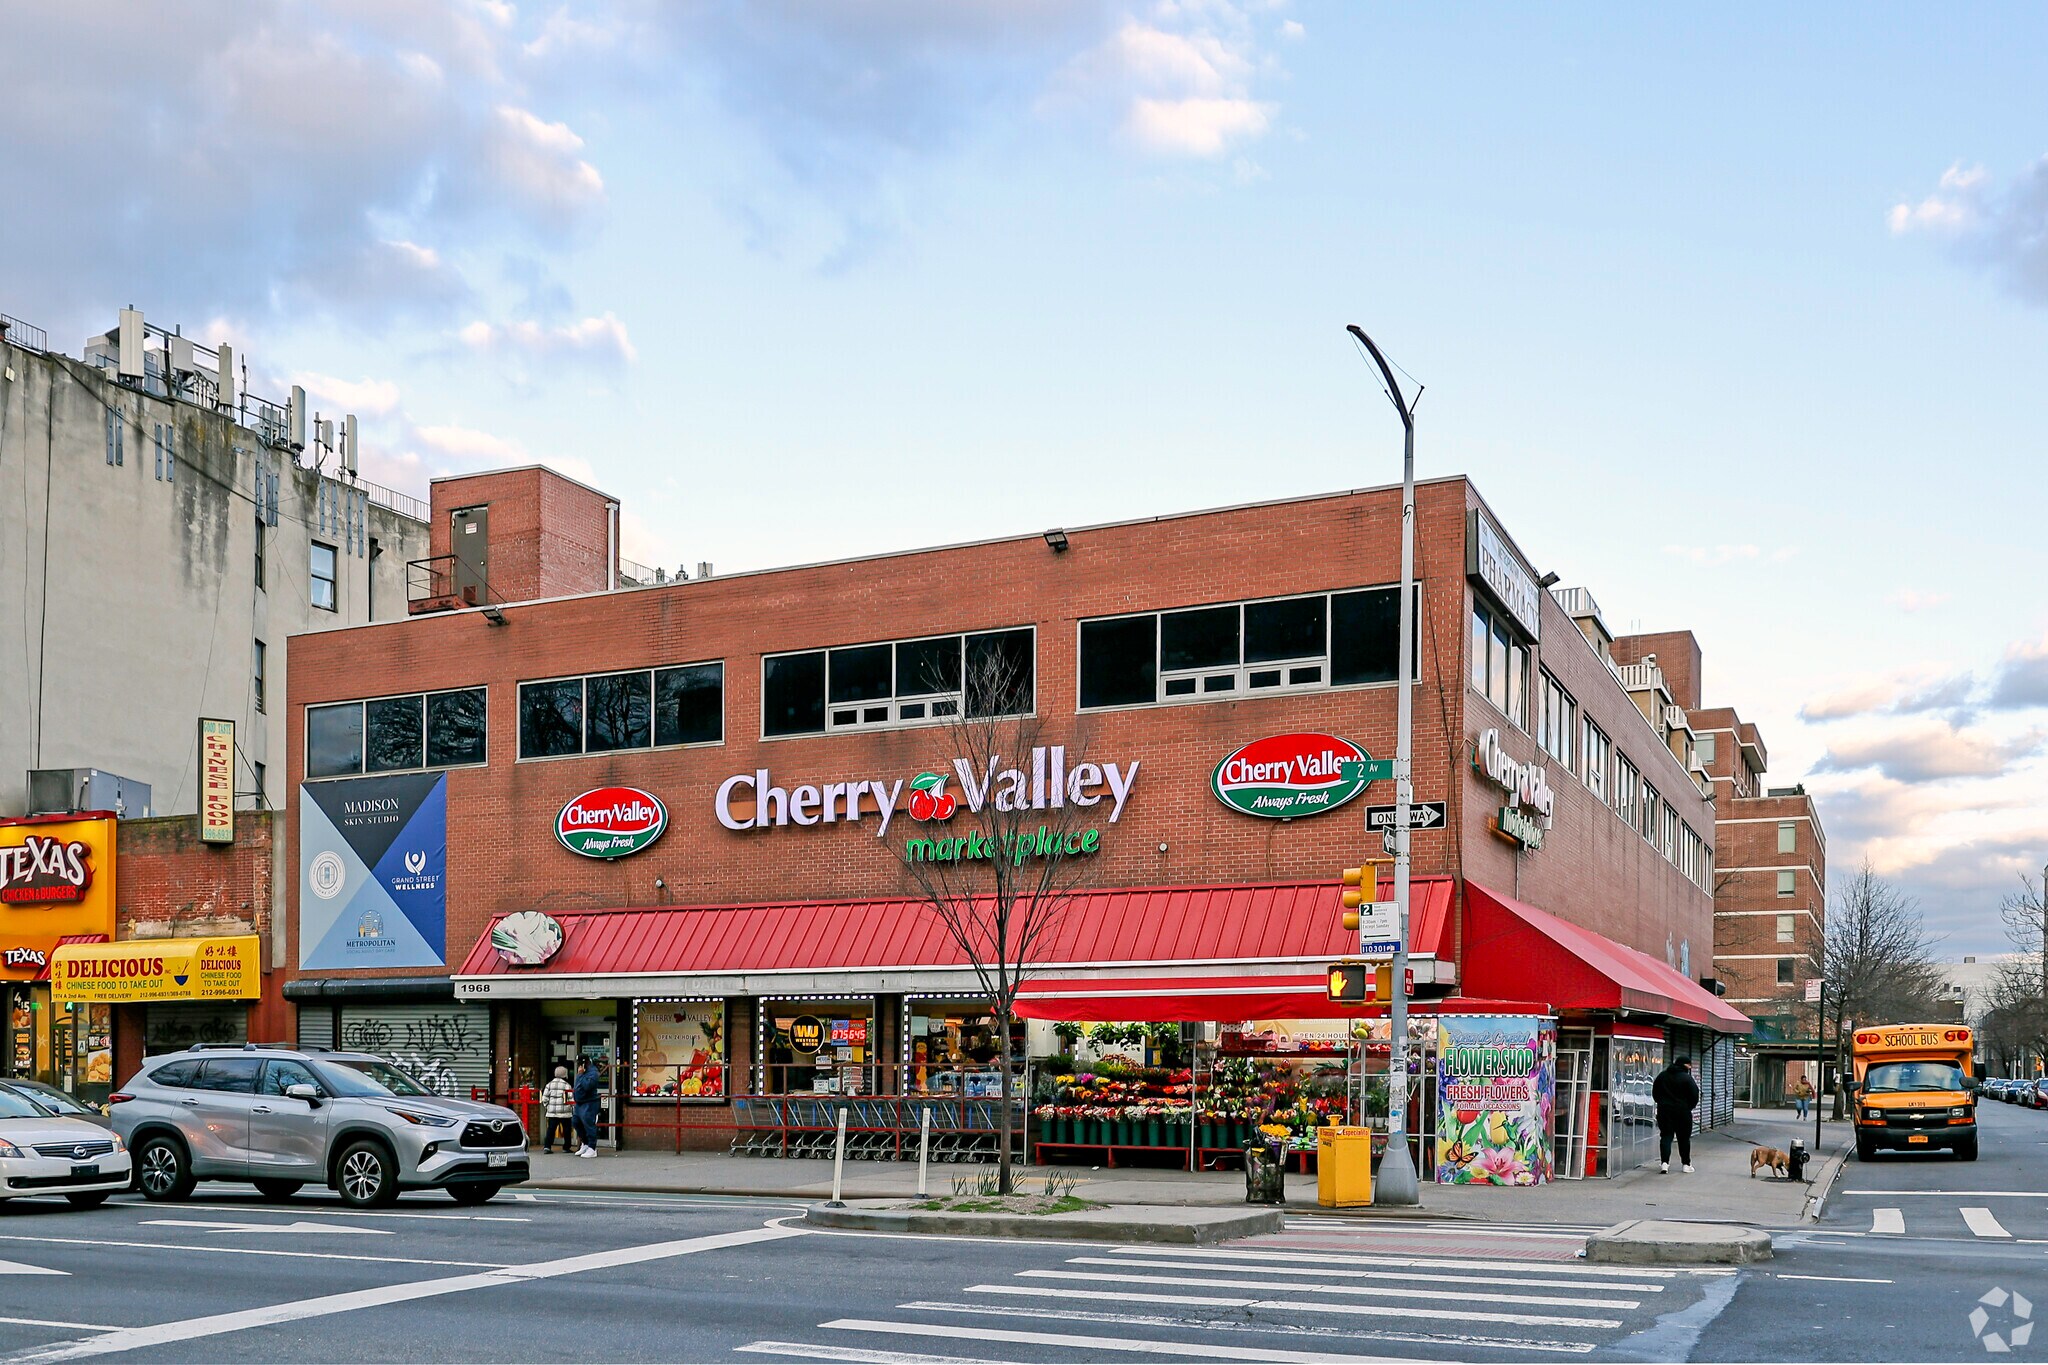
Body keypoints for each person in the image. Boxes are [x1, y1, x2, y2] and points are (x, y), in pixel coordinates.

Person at [1652, 1055, 1700, 1174]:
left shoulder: (1662, 1076)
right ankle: (1686, 1164)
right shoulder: (1687, 1078)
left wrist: (1662, 1103)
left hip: (1664, 1111)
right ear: (1685, 1065)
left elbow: (1655, 1093)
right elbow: (1695, 1095)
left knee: (1666, 1136)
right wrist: (1688, 1107)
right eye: (1689, 1065)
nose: (1690, 1067)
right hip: (1682, 1112)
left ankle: (1664, 1163)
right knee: (1683, 1138)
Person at [572, 1057, 602, 1159]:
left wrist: (580, 1075)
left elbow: (587, 1086)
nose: (579, 1066)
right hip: (580, 1102)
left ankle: (592, 1148)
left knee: (589, 1124)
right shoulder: (583, 1072)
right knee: (575, 1122)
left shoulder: (593, 1073)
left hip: (589, 1102)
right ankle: (585, 1143)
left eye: (580, 1063)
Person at [540, 1066, 574, 1154]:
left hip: (552, 1113)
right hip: (565, 1112)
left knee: (551, 1130)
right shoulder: (567, 1085)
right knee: (566, 1130)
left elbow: (544, 1098)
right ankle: (566, 1147)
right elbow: (571, 1099)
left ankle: (547, 1146)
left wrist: (548, 1107)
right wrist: (570, 1108)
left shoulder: (549, 1085)